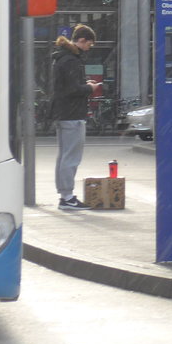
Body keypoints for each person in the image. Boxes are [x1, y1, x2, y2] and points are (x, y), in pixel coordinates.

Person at [50, 24, 97, 210]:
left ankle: (64, 194)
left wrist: (83, 84)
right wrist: (89, 88)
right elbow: (72, 89)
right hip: (72, 114)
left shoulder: (63, 57)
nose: (89, 48)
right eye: (89, 44)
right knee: (71, 157)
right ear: (82, 40)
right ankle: (67, 197)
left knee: (64, 156)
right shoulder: (71, 60)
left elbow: (67, 86)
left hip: (64, 113)